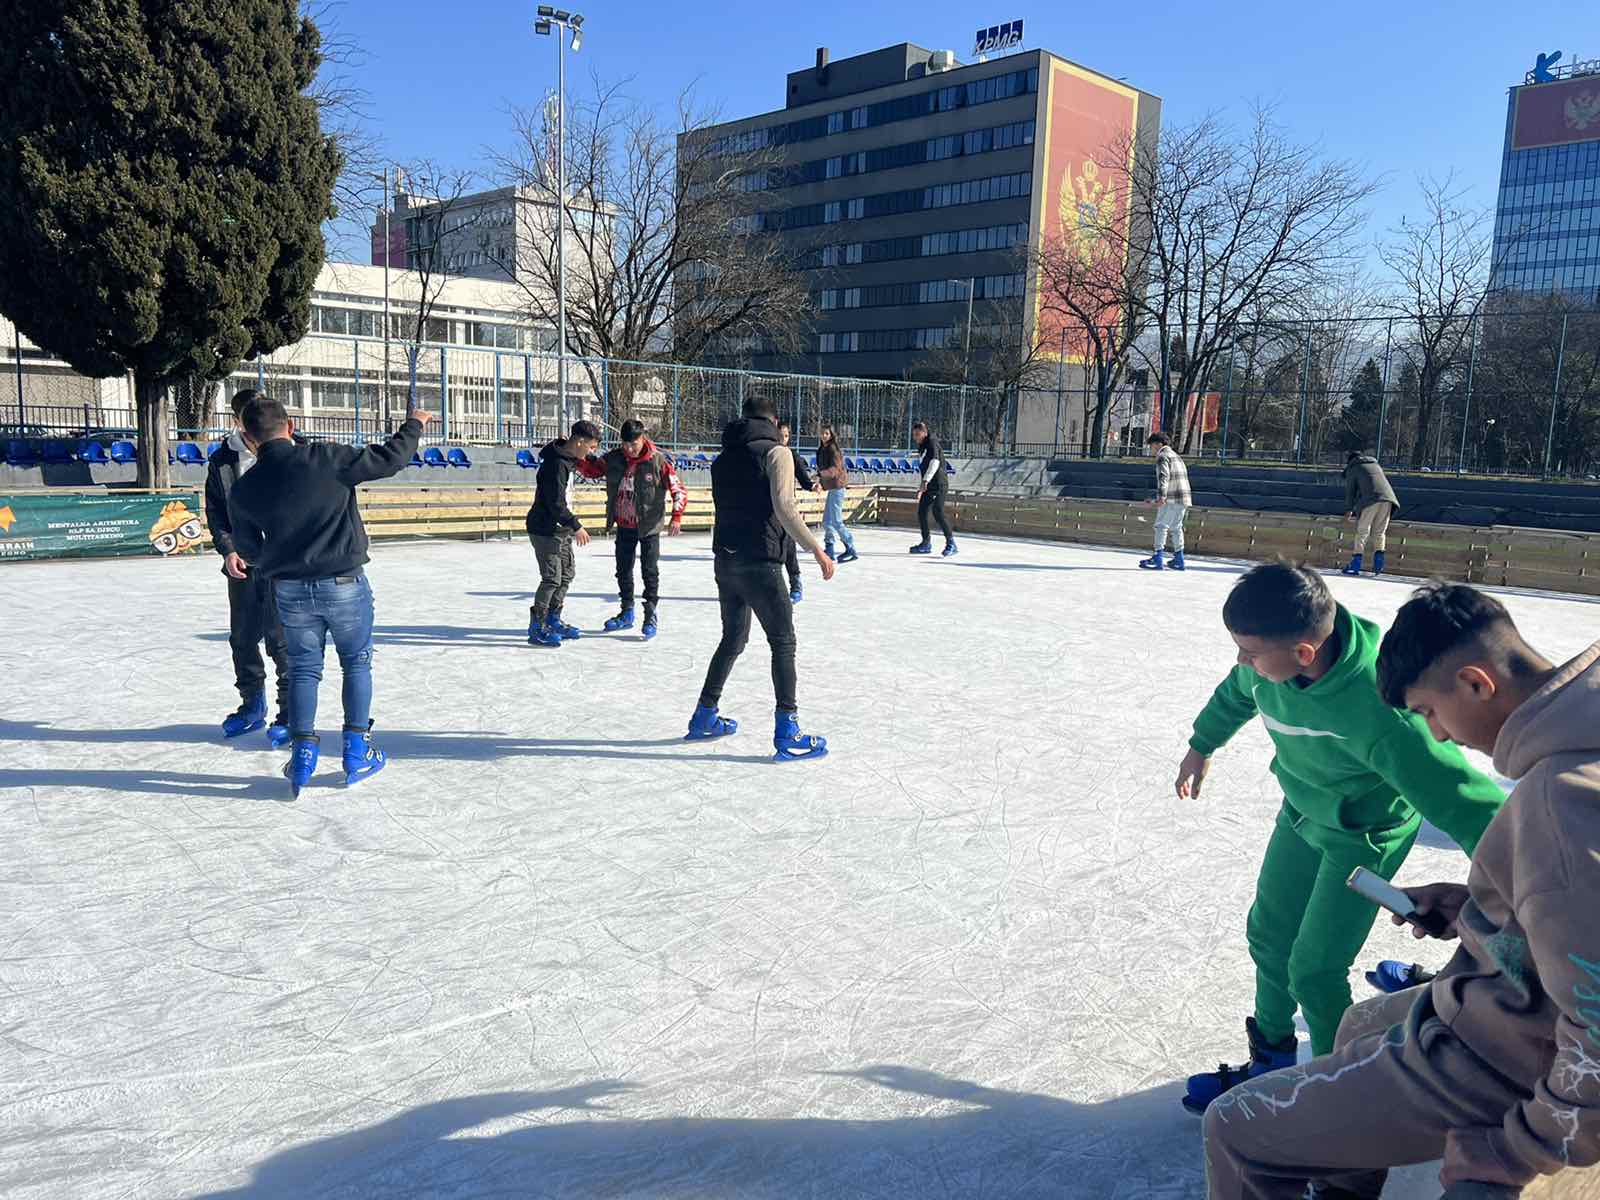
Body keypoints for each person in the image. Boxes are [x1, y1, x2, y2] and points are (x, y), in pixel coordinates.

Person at [1205, 582, 1600, 1200]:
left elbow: (1596, 1034)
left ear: (1475, 683)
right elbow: (1569, 909)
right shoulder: (1579, 734)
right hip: (1503, 1001)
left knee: (1231, 1125)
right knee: (1359, 1021)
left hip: (1503, 1051)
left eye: (1430, 712)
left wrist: (1515, 1148)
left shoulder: (1561, 803)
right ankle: (1345, 1186)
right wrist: (1476, 911)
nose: (1437, 735)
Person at [1174, 562, 1505, 1114]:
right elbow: (1234, 693)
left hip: (1364, 838)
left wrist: (1516, 891)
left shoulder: (1382, 709)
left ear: (1304, 653)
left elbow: (1468, 802)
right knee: (1269, 936)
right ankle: (1271, 1060)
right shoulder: (1265, 671)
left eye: (1250, 651)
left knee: (1316, 969)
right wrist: (1201, 745)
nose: (1242, 661)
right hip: (1302, 815)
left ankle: (1331, 1093)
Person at [226, 396, 429, 798]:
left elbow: (248, 549)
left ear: (249, 438)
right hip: (343, 583)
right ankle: (356, 749)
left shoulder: (245, 488)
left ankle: (303, 751)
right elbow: (390, 459)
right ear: (291, 424)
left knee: (303, 669)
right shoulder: (326, 457)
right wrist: (415, 424)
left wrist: (282, 559)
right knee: (356, 663)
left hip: (290, 589)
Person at [686, 394, 835, 760]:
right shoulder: (777, 453)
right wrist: (815, 548)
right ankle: (788, 731)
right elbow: (784, 506)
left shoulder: (722, 459)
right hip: (761, 563)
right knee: (783, 642)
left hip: (726, 561)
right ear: (774, 421)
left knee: (733, 639)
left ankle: (704, 714)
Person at [205, 388, 290, 746]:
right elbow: (216, 512)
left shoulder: (290, 451)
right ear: (237, 420)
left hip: (282, 564)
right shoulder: (223, 460)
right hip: (242, 564)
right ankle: (252, 704)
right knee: (242, 637)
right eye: (248, 415)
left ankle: (289, 712)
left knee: (281, 640)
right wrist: (227, 549)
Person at [579, 419, 687, 641]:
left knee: (650, 571)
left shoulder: (658, 461)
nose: (629, 449)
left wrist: (676, 517)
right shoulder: (614, 458)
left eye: (633, 444)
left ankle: (650, 614)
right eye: (625, 444)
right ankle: (627, 611)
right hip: (624, 524)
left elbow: (679, 490)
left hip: (648, 527)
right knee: (623, 569)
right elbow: (591, 471)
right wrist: (575, 455)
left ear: (642, 439)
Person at [525, 420, 602, 648]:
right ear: (579, 442)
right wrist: (576, 525)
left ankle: (553, 619)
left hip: (560, 529)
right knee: (551, 579)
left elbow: (593, 463)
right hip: (545, 529)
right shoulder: (556, 464)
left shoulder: (568, 458)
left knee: (566, 574)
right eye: (591, 447)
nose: (591, 453)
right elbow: (555, 503)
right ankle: (537, 626)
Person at [778, 421, 821, 602]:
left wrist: (812, 486)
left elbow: (803, 478)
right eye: (779, 435)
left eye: (786, 436)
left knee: (788, 548)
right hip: (767, 510)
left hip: (785, 508)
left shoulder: (790, 455)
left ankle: (796, 584)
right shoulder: (766, 453)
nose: (782, 439)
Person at [1139, 431, 1192, 571]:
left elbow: (1164, 476)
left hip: (1171, 497)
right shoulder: (1176, 456)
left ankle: (1158, 557)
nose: (1151, 449)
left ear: (1158, 444)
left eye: (1151, 446)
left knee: (1161, 526)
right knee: (1176, 527)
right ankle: (1179, 559)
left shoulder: (1163, 456)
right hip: (1184, 497)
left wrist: (1162, 496)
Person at [1341, 449, 1399, 576]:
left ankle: (1356, 564)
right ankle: (1378, 564)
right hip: (1388, 500)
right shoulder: (1375, 465)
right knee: (1379, 532)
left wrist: (1348, 511)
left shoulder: (1354, 467)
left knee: (1362, 531)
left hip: (1371, 500)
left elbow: (1350, 492)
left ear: (1350, 461)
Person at [909, 420, 956, 557]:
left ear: (924, 433)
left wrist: (925, 482)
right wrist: (923, 485)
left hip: (939, 484)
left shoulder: (932, 442)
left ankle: (951, 543)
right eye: (914, 435)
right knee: (922, 511)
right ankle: (926, 543)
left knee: (938, 512)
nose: (915, 437)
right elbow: (924, 466)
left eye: (917, 434)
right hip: (929, 485)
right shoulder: (922, 445)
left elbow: (935, 463)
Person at [815, 425, 858, 564]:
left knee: (836, 521)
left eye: (826, 433)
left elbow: (835, 469)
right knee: (827, 521)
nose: (824, 435)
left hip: (837, 486)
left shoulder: (833, 449)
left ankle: (850, 548)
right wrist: (820, 481)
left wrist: (820, 475)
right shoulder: (822, 449)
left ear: (831, 435)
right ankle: (830, 548)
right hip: (831, 486)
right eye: (822, 433)